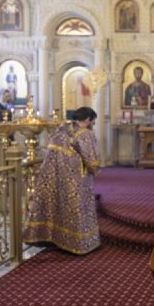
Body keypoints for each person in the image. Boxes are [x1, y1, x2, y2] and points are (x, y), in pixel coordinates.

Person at [22, 107, 101, 255]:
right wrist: (96, 169)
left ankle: (52, 238)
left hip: (52, 176)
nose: (93, 124)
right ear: (86, 120)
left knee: (56, 206)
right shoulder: (84, 134)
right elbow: (92, 160)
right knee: (74, 208)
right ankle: (77, 243)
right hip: (74, 178)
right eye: (93, 121)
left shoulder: (61, 129)